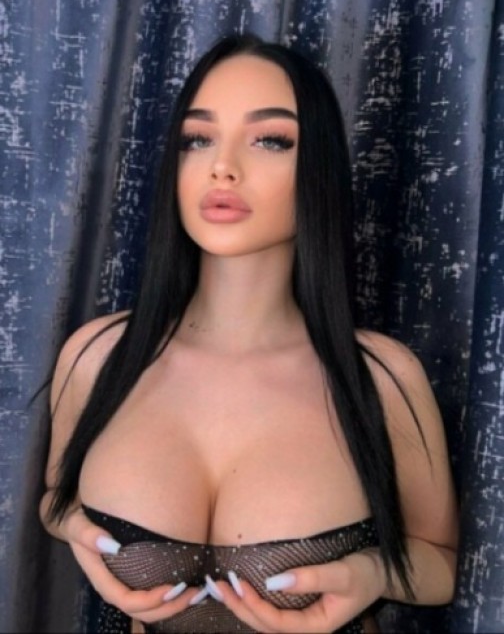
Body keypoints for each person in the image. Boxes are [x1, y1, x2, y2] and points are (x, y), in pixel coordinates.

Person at [40, 34, 459, 634]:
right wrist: (77, 530)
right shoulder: (97, 356)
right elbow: (56, 497)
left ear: (317, 168)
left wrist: (372, 573)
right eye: (197, 138)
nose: (223, 165)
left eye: (270, 140)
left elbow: (440, 560)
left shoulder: (381, 377)